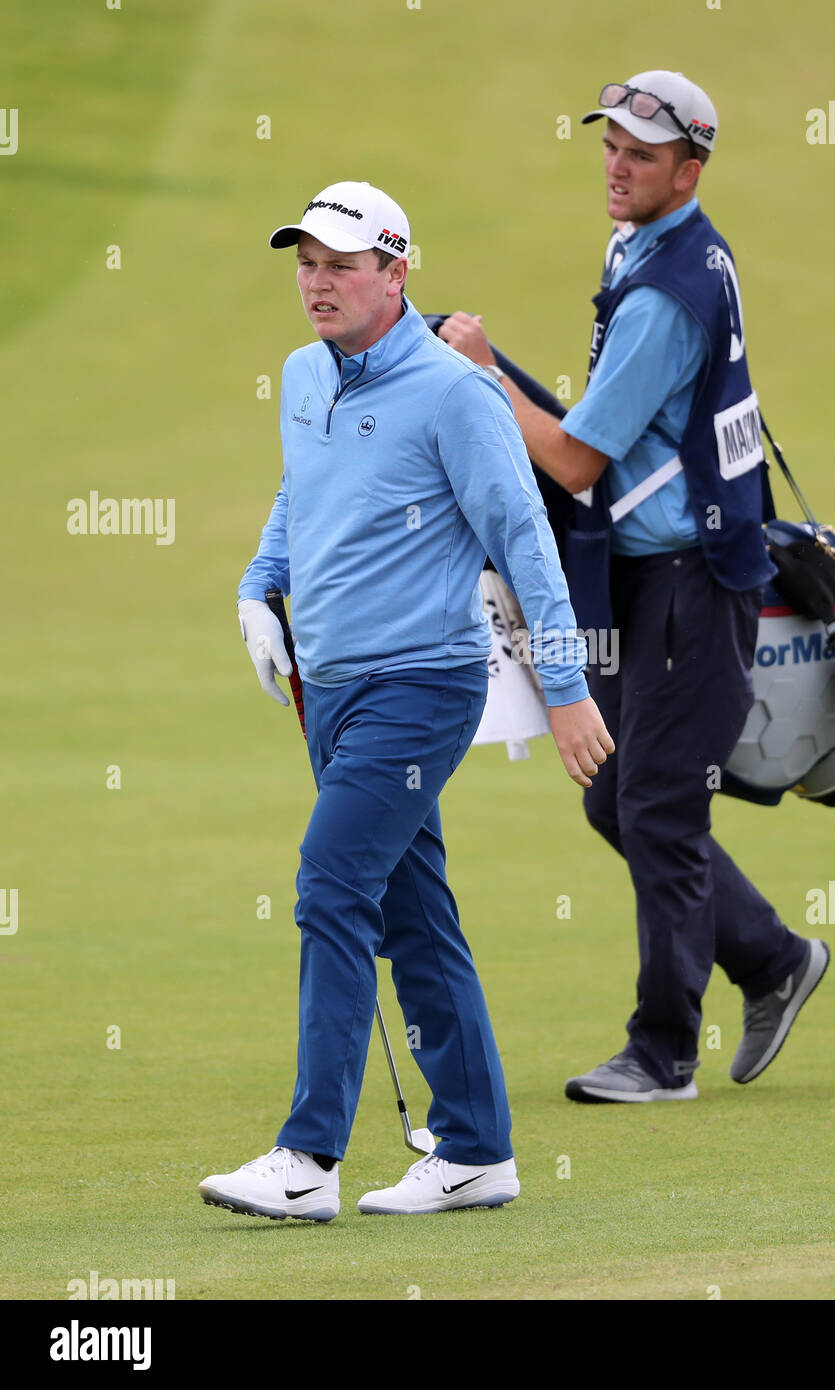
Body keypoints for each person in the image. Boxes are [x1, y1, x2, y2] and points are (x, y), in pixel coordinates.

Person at [199, 180, 613, 1220]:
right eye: (305, 263)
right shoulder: (302, 375)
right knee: (411, 914)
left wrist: (564, 689)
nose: (317, 283)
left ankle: (307, 1158)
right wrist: (258, 588)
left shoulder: (453, 394)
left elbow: (524, 540)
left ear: (396, 270)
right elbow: (303, 494)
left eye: (340, 265)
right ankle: (475, 1149)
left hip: (420, 685)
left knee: (330, 886)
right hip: (327, 683)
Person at [439, 72, 829, 1104]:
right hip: (650, 570)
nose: (615, 167)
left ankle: (662, 1051)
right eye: (608, 146)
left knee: (650, 807)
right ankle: (774, 957)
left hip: (689, 581)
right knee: (623, 800)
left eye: (641, 155)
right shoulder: (656, 247)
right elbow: (600, 435)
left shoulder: (664, 288)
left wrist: (479, 374)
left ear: (688, 170)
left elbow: (572, 463)